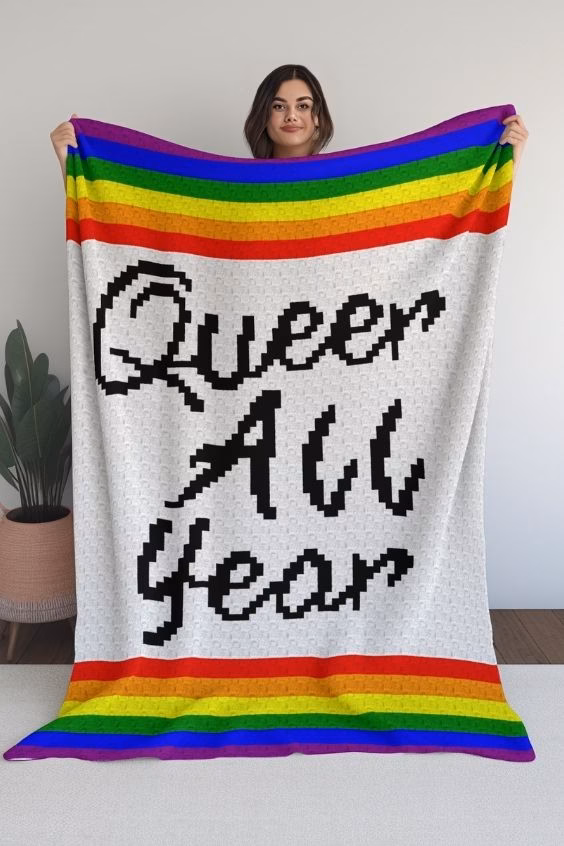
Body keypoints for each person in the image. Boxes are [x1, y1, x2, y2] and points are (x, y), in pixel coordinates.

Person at [49, 68, 528, 183]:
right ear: (264, 116)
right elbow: (149, 231)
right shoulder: (233, 186)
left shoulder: (345, 182)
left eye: (303, 104)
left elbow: (433, 225)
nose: (292, 115)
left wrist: (505, 159)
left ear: (318, 117)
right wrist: (74, 164)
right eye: (279, 106)